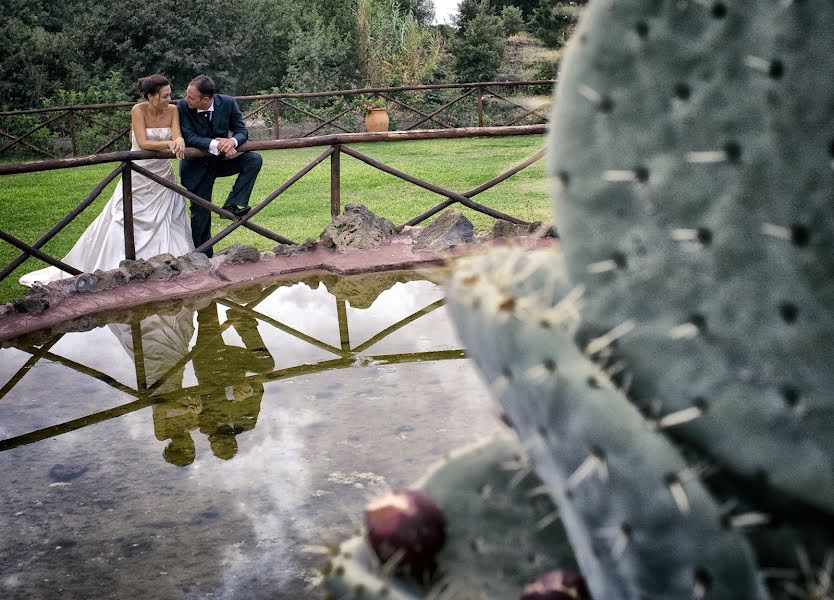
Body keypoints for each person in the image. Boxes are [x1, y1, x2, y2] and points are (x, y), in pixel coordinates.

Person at [19, 74, 194, 287]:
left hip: (163, 175)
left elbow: (176, 135)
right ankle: (124, 265)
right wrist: (169, 144)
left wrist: (179, 140)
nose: (169, 99)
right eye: (165, 96)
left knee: (170, 218)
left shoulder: (173, 110)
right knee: (125, 216)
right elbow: (143, 141)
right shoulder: (138, 110)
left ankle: (170, 267)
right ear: (151, 96)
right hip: (138, 173)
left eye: (169, 95)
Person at [177, 75, 263, 257]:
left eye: (191, 97)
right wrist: (218, 145)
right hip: (196, 167)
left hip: (221, 163)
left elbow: (242, 131)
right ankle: (203, 257)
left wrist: (231, 142)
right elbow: (188, 137)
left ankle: (232, 204)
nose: (186, 99)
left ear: (206, 99)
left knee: (254, 160)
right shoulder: (182, 107)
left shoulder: (228, 103)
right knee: (200, 214)